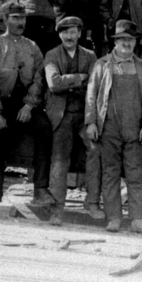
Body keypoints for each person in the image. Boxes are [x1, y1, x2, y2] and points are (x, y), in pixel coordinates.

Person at [0, 3, 53, 218]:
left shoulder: (32, 47)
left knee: (45, 128)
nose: (20, 23)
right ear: (5, 20)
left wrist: (30, 105)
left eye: (22, 19)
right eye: (14, 18)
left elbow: (40, 79)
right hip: (2, 106)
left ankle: (40, 189)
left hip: (25, 106)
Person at [85, 20, 142, 234]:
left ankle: (138, 219)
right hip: (109, 127)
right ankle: (113, 217)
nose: (126, 43)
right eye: (122, 39)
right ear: (115, 42)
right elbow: (91, 95)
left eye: (130, 39)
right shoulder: (102, 65)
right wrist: (90, 122)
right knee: (110, 173)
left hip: (135, 128)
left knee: (136, 174)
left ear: (135, 42)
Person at [42, 15, 98, 227]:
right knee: (59, 159)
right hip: (61, 115)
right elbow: (54, 83)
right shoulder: (52, 55)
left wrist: (74, 82)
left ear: (79, 34)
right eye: (65, 32)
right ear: (60, 34)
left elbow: (94, 84)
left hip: (85, 114)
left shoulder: (90, 56)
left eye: (73, 32)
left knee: (95, 150)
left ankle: (92, 202)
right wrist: (79, 78)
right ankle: (56, 210)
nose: (69, 36)